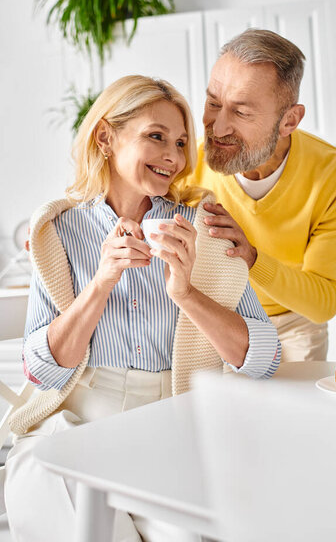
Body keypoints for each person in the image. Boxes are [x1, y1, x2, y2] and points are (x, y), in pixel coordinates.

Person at [5, 75, 280, 542]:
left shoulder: (203, 226)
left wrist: (186, 293)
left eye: (180, 142)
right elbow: (41, 371)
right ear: (106, 137)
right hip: (78, 421)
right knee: (48, 480)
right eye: (156, 136)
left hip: (170, 424)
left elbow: (264, 360)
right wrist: (101, 283)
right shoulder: (59, 230)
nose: (173, 157)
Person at [181, 29, 336, 361]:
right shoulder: (187, 164)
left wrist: (252, 258)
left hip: (294, 325)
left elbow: (323, 303)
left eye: (242, 112)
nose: (217, 128)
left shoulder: (332, 173)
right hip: (217, 317)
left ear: (289, 120)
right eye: (213, 103)